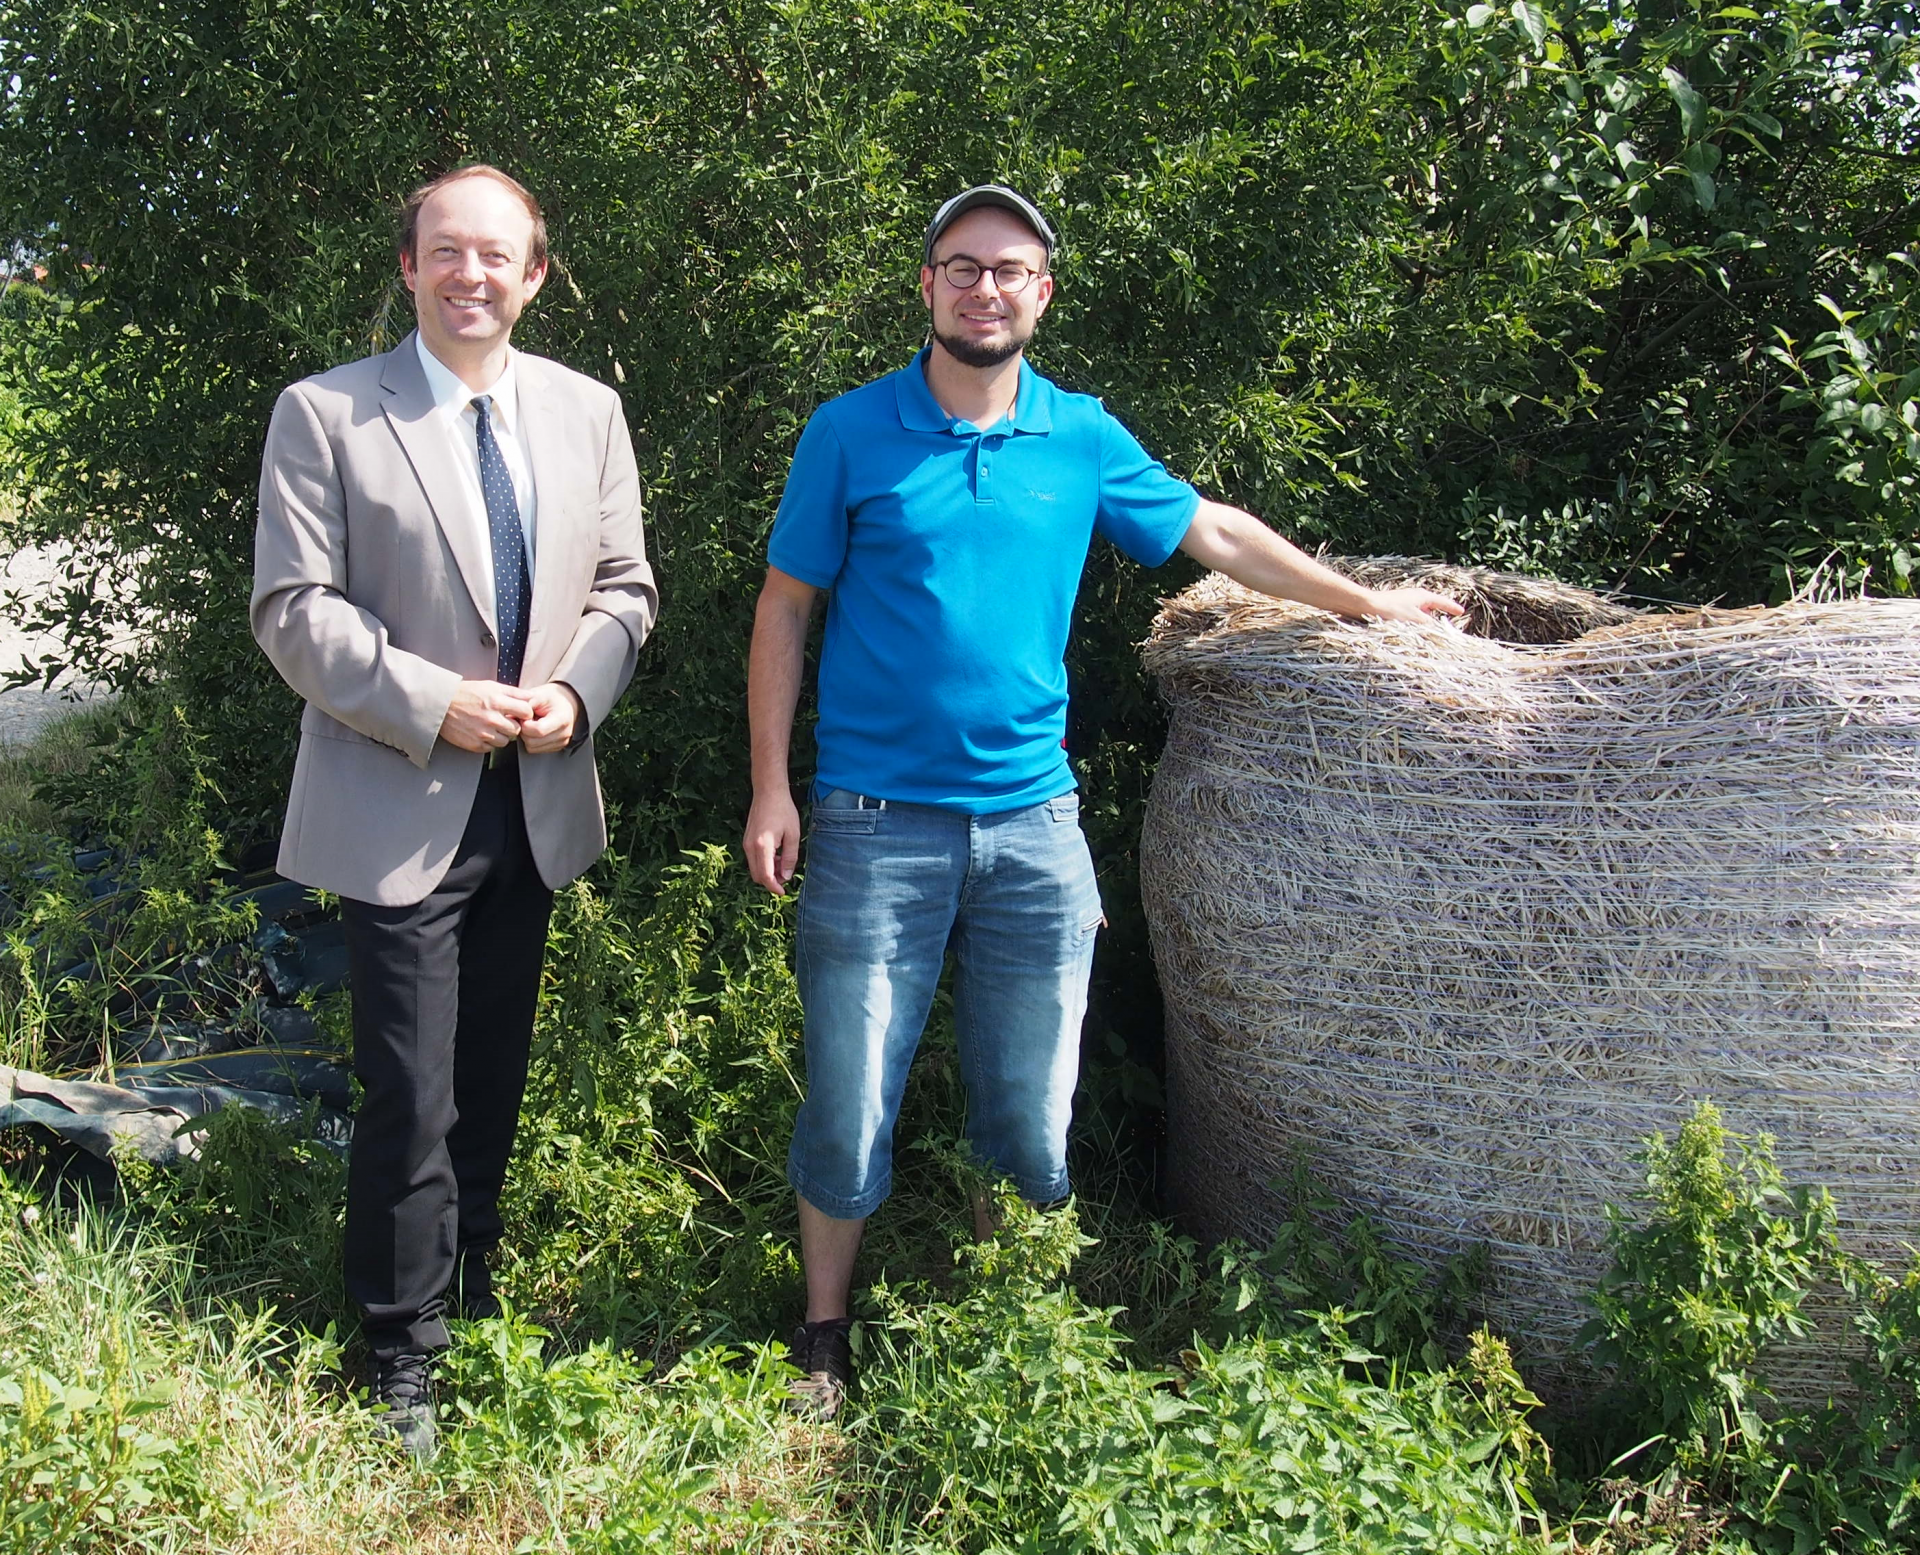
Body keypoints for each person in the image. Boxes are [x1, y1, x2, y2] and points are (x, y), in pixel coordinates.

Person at [742, 184, 1462, 1419]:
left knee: (1029, 1113)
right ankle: (822, 1334)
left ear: (1042, 294)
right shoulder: (851, 433)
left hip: (1035, 828)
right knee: (852, 1096)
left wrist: (1370, 606)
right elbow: (785, 609)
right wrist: (771, 785)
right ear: (926, 286)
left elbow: (1216, 535)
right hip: (870, 823)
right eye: (961, 268)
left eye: (1008, 270)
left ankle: (1001, 1328)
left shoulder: (1079, 439)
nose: (984, 288)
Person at [252, 165, 657, 1460]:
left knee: (490, 1074)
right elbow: (292, 609)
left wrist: (572, 696)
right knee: (410, 1088)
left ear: (535, 274)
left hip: (532, 800)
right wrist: (439, 701)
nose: (472, 274)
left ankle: (472, 1289)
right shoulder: (325, 415)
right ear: (410, 267)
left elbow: (623, 587)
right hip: (398, 798)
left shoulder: (586, 410)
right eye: (447, 252)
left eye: (499, 255)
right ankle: (401, 1348)